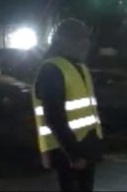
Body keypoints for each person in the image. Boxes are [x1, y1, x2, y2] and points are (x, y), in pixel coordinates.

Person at [32, 18, 103, 192]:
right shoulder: (52, 69)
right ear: (65, 42)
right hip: (66, 152)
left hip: (84, 147)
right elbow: (54, 117)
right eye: (80, 39)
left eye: (86, 38)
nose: (86, 44)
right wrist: (73, 154)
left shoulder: (79, 67)